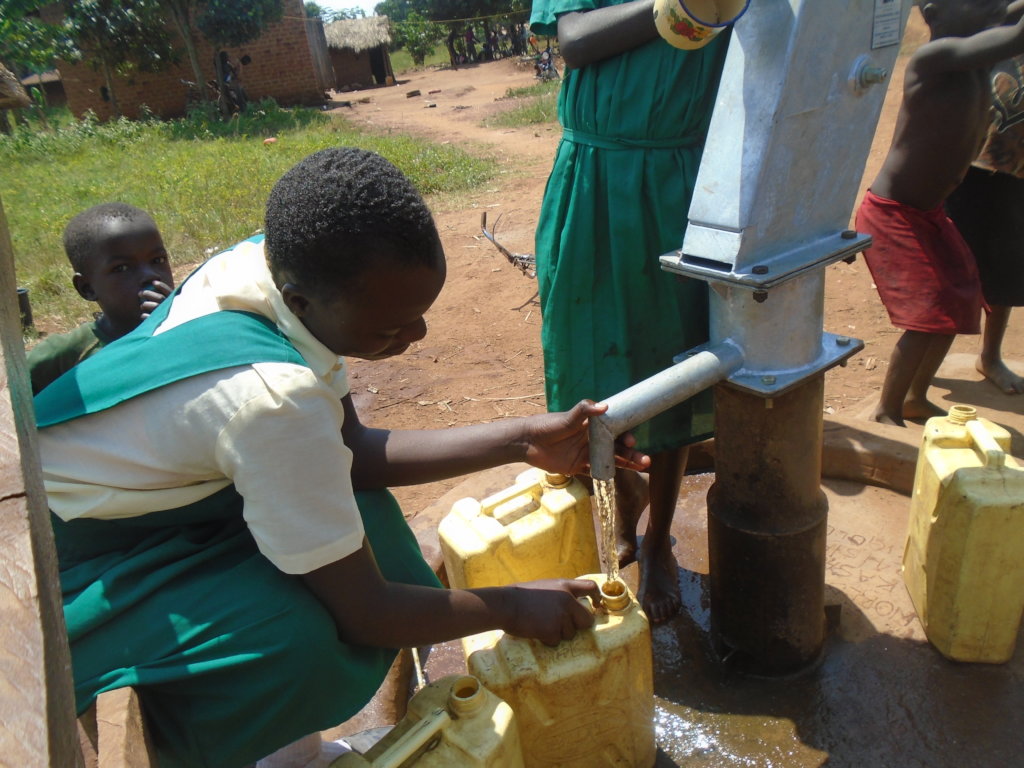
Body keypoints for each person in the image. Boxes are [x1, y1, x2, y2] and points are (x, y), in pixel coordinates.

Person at [34, 148, 649, 768]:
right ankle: (223, 753)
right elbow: (367, 613)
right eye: (391, 328)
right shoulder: (274, 398)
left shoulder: (265, 266)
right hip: (65, 558)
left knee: (367, 525)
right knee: (299, 631)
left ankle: (290, 751)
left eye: (420, 316)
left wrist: (523, 440)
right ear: (302, 302)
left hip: (149, 500)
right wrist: (514, 604)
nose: (417, 338)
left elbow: (348, 452)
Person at [529, 0, 730, 622]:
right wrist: (677, 6)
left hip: (681, 178)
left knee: (670, 368)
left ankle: (658, 537)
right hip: (593, 179)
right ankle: (617, 514)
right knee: (588, 366)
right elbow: (573, 38)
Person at [856, 0, 1024, 426]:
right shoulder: (934, 59)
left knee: (958, 301)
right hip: (895, 213)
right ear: (935, 14)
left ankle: (914, 397)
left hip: (928, 212)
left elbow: (1005, 25)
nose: (993, 6)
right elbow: (1014, 33)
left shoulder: (974, 64)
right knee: (928, 316)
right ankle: (886, 409)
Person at [27, 202, 174, 395]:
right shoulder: (68, 355)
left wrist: (172, 327)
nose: (150, 275)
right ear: (87, 288)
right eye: (122, 268)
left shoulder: (193, 322)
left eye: (158, 260)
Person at [945, 52, 1024, 394]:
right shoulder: (996, 28)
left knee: (1005, 265)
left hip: (1017, 175)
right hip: (969, 168)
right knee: (948, 267)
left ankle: (990, 357)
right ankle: (920, 367)